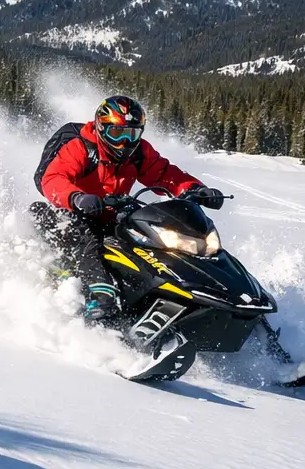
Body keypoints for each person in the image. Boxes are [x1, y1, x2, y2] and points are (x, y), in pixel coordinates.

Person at [32, 95, 223, 321]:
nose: (124, 143)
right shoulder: (81, 147)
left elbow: (164, 174)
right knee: (88, 239)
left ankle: (182, 291)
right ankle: (100, 300)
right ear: (102, 129)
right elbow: (54, 178)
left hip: (113, 212)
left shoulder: (139, 152)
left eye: (131, 134)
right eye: (117, 134)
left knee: (157, 238)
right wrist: (76, 197)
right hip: (73, 212)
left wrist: (195, 189)